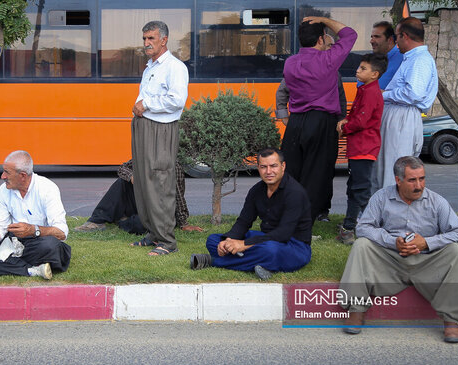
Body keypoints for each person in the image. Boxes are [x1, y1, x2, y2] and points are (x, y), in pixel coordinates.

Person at [339, 156, 458, 343]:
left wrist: (426, 243)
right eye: (412, 180)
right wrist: (392, 241)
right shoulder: (381, 197)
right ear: (398, 180)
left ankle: (452, 320)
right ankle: (356, 309)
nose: (418, 185)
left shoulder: (437, 201)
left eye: (422, 178)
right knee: (362, 245)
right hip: (391, 261)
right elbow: (363, 228)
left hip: (427, 262)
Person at [189, 148, 312, 280]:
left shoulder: (295, 193)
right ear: (258, 168)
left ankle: (212, 261)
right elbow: (243, 222)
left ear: (283, 166)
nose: (268, 171)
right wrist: (229, 240)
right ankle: (261, 264)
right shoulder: (257, 190)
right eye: (263, 167)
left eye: (273, 166)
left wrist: (244, 244)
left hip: (294, 246)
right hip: (265, 239)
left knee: (270, 251)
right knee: (214, 240)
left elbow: (283, 233)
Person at [281, 16, 357, 222]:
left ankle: (289, 213)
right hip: (321, 120)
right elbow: (350, 34)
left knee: (293, 169)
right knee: (317, 173)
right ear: (321, 39)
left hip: (296, 121)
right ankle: (308, 218)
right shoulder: (328, 59)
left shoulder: (290, 63)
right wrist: (324, 19)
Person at [130, 21, 189, 256]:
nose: (146, 43)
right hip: (144, 125)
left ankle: (167, 241)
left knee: (160, 182)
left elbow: (177, 100)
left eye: (151, 39)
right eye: (144, 39)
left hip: (161, 129)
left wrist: (147, 104)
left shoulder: (174, 67)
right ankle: (154, 234)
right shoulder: (150, 66)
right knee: (144, 181)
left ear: (164, 40)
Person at [0, 151, 71, 280]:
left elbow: (61, 232)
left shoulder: (48, 189)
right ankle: (31, 270)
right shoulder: (3, 190)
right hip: (12, 243)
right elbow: (0, 227)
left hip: (38, 243)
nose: (2, 176)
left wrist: (33, 230)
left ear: (22, 175)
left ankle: (8, 264)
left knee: (51, 246)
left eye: (7, 172)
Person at [372, 17, 438, 190]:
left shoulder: (419, 60)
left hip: (401, 116)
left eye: (397, 37)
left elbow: (414, 93)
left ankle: (392, 212)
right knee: (385, 168)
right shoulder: (413, 58)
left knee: (392, 169)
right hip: (399, 114)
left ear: (405, 36)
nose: (395, 42)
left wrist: (385, 95)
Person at [275, 72, 347, 223]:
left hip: (325, 124)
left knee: (323, 170)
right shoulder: (298, 67)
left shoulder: (333, 71)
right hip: (298, 121)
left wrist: (341, 121)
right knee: (292, 168)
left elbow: (340, 98)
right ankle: (290, 209)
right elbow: (282, 91)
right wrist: (283, 115)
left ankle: (320, 210)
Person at [335, 53, 386, 245]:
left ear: (375, 74)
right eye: (359, 67)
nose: (358, 70)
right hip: (359, 147)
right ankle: (352, 225)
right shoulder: (365, 89)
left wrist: (344, 128)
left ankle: (359, 227)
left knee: (360, 190)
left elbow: (361, 120)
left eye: (363, 68)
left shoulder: (371, 92)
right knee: (355, 188)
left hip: (365, 147)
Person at [73, 159, 202, 233]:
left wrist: (183, 223)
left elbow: (178, 195)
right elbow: (122, 168)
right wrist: (132, 176)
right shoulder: (144, 156)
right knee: (122, 182)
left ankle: (122, 221)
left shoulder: (174, 166)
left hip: (158, 209)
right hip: (140, 201)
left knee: (141, 225)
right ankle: (97, 221)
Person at [369, 21, 403, 90]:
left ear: (390, 40)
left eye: (377, 37)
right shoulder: (369, 59)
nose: (371, 41)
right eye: (372, 37)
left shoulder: (403, 59)